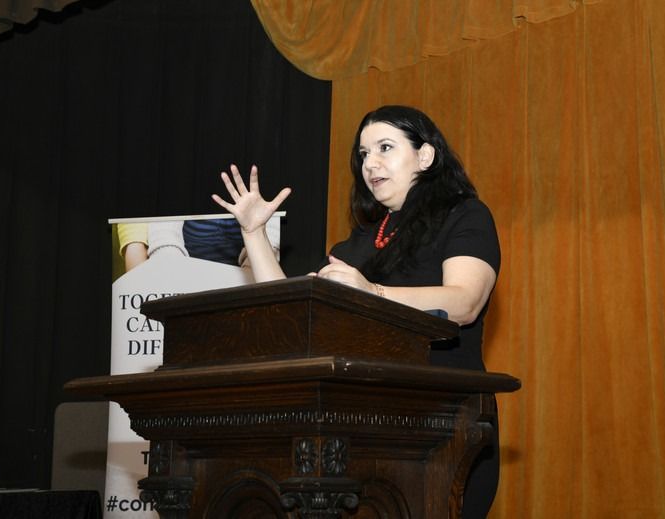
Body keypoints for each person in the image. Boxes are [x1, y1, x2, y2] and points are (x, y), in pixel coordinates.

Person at [212, 105, 501, 517]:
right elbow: (294, 313)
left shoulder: (465, 216)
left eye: (385, 147)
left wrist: (372, 291)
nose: (370, 163)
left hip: (445, 422)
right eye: (363, 154)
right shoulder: (360, 243)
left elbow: (464, 302)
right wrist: (254, 232)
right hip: (367, 427)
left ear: (425, 156)